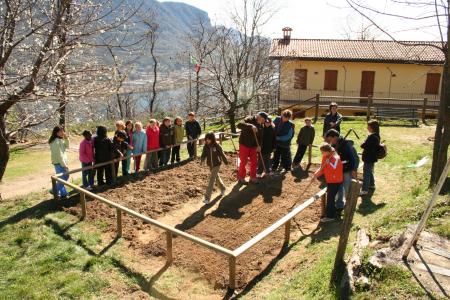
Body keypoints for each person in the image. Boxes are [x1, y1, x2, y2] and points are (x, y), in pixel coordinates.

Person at [324, 129, 359, 214]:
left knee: (347, 187)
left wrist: (354, 170)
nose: (329, 141)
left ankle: (350, 205)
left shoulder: (346, 144)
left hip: (346, 169)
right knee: (339, 188)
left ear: (335, 137)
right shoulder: (334, 144)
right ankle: (339, 205)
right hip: (338, 170)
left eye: (330, 139)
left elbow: (353, 158)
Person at [313, 143, 343, 222]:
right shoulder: (325, 156)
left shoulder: (336, 158)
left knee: (330, 198)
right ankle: (331, 213)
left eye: (323, 152)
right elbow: (322, 167)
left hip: (335, 181)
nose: (322, 154)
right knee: (330, 197)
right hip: (329, 180)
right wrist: (316, 174)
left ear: (328, 151)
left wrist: (328, 163)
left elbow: (334, 169)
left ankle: (330, 216)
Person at [236, 112, 266, 184]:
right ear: (259, 117)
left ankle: (253, 177)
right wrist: (250, 125)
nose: (263, 121)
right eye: (263, 119)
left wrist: (259, 146)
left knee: (254, 162)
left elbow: (260, 137)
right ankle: (241, 177)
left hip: (253, 146)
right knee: (243, 161)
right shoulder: (249, 119)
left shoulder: (260, 126)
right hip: (244, 144)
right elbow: (239, 125)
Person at [200, 132, 228, 204]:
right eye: (206, 139)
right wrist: (202, 160)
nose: (207, 141)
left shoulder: (217, 146)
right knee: (216, 178)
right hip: (210, 165)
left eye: (209, 139)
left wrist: (226, 162)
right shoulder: (205, 146)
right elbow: (203, 154)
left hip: (217, 164)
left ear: (212, 139)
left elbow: (222, 154)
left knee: (211, 180)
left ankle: (207, 198)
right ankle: (223, 188)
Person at [360, 120, 381, 195]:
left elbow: (363, 145)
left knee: (366, 173)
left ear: (372, 127)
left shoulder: (372, 137)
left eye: (368, 126)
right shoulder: (377, 135)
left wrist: (364, 141)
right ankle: (372, 185)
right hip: (372, 157)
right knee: (370, 171)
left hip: (368, 157)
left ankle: (364, 190)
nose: (367, 128)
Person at [49, 125, 69, 199]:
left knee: (62, 178)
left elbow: (67, 146)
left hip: (62, 162)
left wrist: (66, 138)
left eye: (62, 131)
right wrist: (64, 165)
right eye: (61, 131)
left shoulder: (60, 140)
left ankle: (63, 193)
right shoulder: (55, 141)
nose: (63, 132)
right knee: (65, 177)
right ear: (56, 133)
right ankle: (54, 190)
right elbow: (59, 155)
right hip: (59, 163)